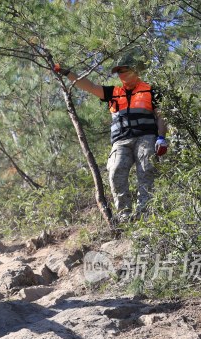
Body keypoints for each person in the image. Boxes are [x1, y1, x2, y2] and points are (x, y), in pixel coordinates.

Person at [54, 51, 168, 220]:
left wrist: (161, 137)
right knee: (115, 171)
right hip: (121, 141)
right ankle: (124, 215)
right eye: (119, 72)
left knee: (146, 170)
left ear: (136, 70)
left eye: (125, 70)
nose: (122, 74)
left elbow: (162, 116)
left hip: (146, 137)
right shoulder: (113, 92)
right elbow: (89, 86)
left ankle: (145, 216)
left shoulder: (151, 90)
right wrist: (67, 72)